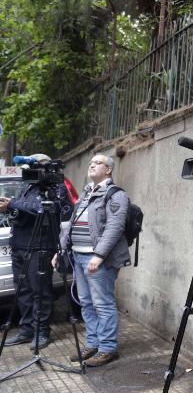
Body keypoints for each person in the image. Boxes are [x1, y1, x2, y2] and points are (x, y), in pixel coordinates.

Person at [54, 154, 130, 367]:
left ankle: (108, 348)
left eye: (97, 163)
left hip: (97, 259)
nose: (92, 165)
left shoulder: (116, 195)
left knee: (102, 303)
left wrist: (98, 255)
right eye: (90, 162)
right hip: (78, 256)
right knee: (86, 303)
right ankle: (93, 343)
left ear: (108, 170)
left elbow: (115, 227)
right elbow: (70, 224)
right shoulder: (87, 192)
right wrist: (60, 250)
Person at [0, 153, 71, 349]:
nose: (26, 169)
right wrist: (9, 206)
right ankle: (27, 330)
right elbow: (24, 209)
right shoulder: (27, 184)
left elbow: (43, 208)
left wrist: (13, 203)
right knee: (22, 290)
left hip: (41, 246)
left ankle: (42, 332)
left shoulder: (55, 186)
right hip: (20, 244)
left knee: (41, 291)